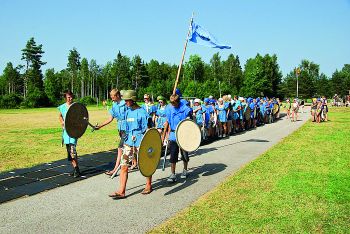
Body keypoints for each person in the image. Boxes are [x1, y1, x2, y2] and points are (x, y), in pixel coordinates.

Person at [109, 90, 152, 199]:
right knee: (124, 165)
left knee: (145, 164)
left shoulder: (142, 112)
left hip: (140, 141)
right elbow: (126, 126)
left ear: (133, 99)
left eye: (128, 100)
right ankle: (121, 191)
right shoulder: (127, 111)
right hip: (128, 142)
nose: (126, 102)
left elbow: (148, 129)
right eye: (125, 100)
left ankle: (148, 185)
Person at [95, 89, 127, 176]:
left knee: (120, 148)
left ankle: (115, 169)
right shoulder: (114, 105)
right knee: (128, 147)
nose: (111, 98)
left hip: (127, 129)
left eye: (113, 97)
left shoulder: (126, 103)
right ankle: (135, 163)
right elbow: (110, 119)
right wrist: (100, 126)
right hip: (120, 129)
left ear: (117, 96)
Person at [163, 94, 192, 183]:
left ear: (178, 102)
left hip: (183, 133)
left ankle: (185, 170)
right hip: (173, 134)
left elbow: (189, 121)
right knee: (173, 155)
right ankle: (173, 174)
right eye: (171, 103)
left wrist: (188, 118)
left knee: (184, 153)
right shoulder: (169, 109)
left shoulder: (185, 109)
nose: (172, 104)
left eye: (174, 103)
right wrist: (165, 134)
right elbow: (167, 122)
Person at [58, 90, 81, 178]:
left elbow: (80, 117)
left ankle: (77, 170)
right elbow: (60, 116)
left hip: (73, 132)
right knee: (69, 152)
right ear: (65, 98)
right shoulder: (62, 107)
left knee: (72, 151)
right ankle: (76, 168)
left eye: (71, 97)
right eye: (68, 97)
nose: (70, 98)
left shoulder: (75, 106)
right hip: (66, 133)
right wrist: (62, 123)